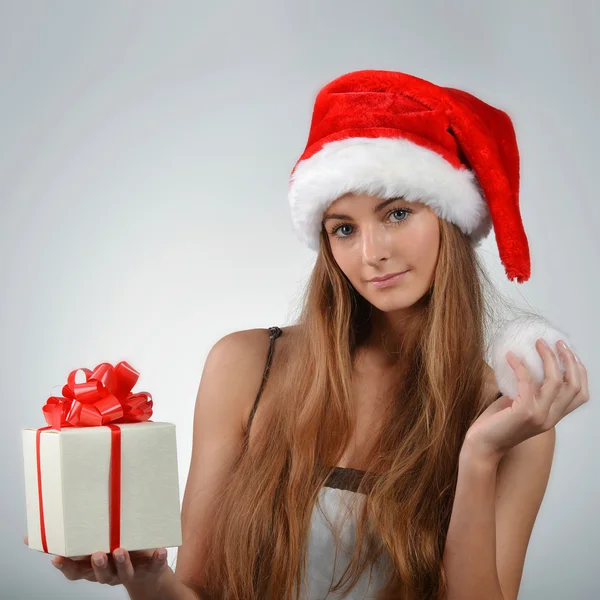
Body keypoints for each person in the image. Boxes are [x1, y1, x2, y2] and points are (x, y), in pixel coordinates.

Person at [28, 69, 589, 600]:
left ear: (450, 218)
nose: (371, 254)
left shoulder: (512, 417)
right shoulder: (247, 364)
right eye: (343, 228)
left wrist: (478, 458)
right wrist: (146, 578)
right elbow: (194, 591)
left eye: (396, 213)